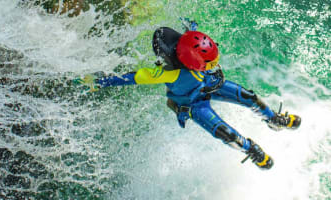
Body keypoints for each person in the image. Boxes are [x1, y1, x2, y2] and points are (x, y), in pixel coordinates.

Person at [74, 21, 301, 170]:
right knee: (225, 133)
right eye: (209, 63)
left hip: (209, 84)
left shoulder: (196, 47)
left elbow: (195, 38)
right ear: (193, 63)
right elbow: (133, 77)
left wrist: (192, 27)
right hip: (192, 104)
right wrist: (101, 82)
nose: (215, 64)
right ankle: (250, 149)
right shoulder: (168, 74)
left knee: (249, 96)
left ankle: (272, 119)